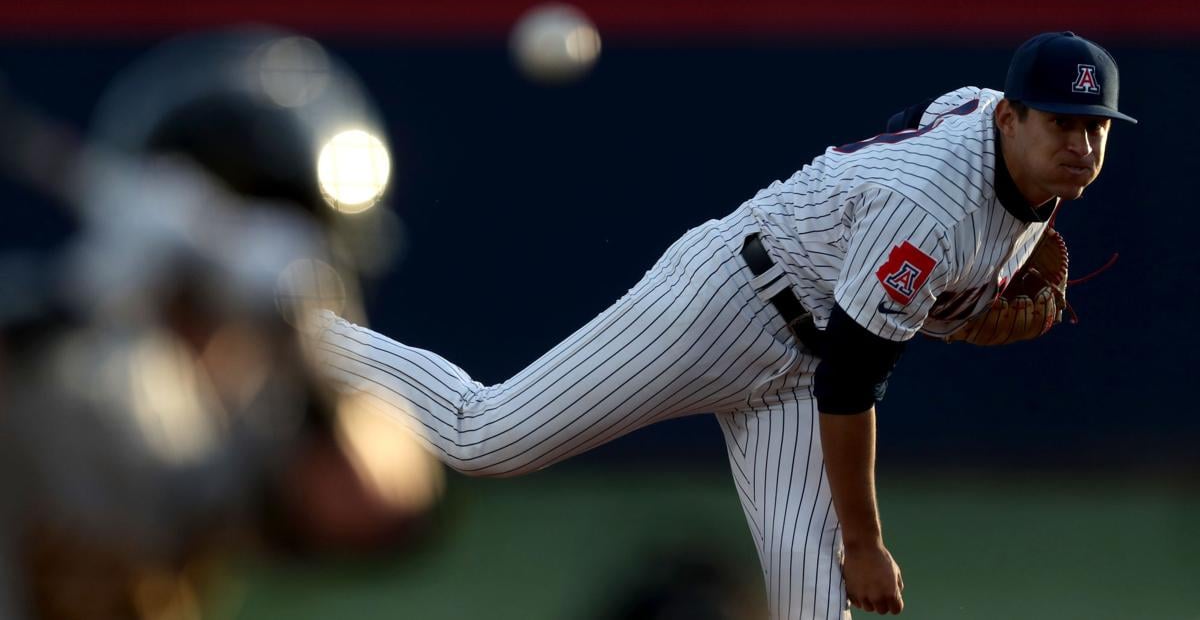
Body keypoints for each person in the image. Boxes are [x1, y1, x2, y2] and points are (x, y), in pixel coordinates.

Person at [310, 31, 1135, 618]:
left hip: (798, 367)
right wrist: (864, 542)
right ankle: (298, 331)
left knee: (812, 609)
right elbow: (852, 380)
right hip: (727, 303)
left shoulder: (987, 121)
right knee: (484, 436)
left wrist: (931, 286)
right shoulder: (928, 207)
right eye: (1059, 120)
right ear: (1011, 120)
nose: (1078, 142)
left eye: (1094, 126)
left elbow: (907, 121)